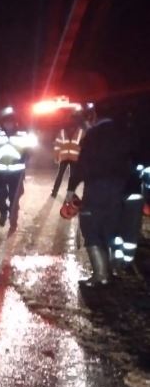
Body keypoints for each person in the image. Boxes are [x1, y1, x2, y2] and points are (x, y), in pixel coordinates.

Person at [64, 105, 132, 287]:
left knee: (91, 228)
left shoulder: (93, 136)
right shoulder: (124, 132)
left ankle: (101, 275)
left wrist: (71, 190)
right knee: (111, 229)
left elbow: (82, 165)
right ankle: (113, 270)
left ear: (94, 116)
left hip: (96, 188)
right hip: (119, 188)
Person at [0, 109, 34, 232]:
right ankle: (3, 211)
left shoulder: (23, 134)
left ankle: (13, 220)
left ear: (15, 122)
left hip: (16, 172)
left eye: (11, 121)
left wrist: (24, 159)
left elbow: (29, 150)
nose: (8, 124)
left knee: (15, 197)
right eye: (6, 121)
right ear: (2, 122)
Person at [50, 121, 82, 197]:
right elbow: (84, 145)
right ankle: (70, 194)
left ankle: (54, 192)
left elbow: (57, 145)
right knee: (72, 177)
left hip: (65, 157)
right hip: (74, 157)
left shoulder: (62, 132)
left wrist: (56, 156)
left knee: (60, 175)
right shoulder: (80, 132)